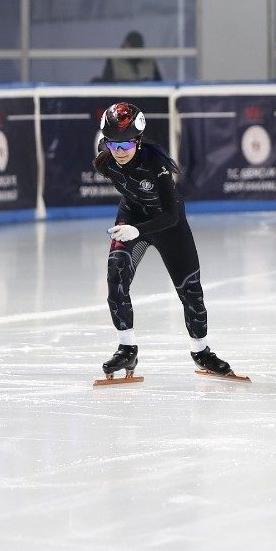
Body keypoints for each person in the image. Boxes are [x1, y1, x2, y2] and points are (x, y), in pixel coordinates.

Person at [92, 102, 238, 379]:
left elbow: (172, 215)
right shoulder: (106, 157)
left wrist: (139, 230)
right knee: (115, 278)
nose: (119, 152)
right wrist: (129, 225)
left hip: (169, 226)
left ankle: (202, 351)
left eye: (126, 145)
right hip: (131, 220)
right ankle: (127, 348)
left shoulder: (155, 164)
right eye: (113, 145)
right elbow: (128, 192)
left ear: (138, 140)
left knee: (190, 291)